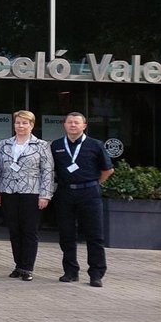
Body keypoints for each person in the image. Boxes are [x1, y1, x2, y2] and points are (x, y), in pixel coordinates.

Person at [51, 112, 113, 287]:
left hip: (89, 194)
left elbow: (108, 170)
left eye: (76, 123)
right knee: (66, 234)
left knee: (95, 235)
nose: (73, 125)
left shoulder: (95, 145)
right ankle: (70, 272)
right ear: (64, 125)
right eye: (69, 122)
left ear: (84, 126)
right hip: (65, 193)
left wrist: (94, 184)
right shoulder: (56, 145)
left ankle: (96, 274)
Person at [0, 110, 54, 281]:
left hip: (31, 192)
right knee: (14, 230)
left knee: (29, 231)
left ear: (32, 125)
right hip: (8, 191)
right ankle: (18, 265)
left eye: (25, 123)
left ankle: (27, 267)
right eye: (18, 122)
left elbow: (48, 171)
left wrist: (45, 195)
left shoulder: (42, 145)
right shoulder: (4, 144)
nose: (21, 126)